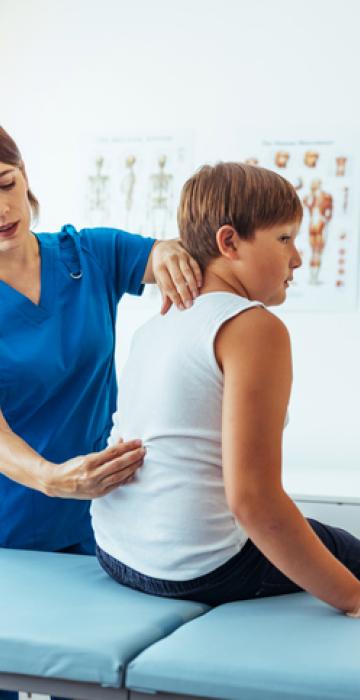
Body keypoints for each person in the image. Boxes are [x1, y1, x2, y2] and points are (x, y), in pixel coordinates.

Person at [92, 162, 360, 626]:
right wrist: (357, 597)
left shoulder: (155, 325)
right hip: (195, 568)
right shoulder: (252, 327)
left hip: (117, 552)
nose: (298, 258)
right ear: (229, 242)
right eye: (285, 239)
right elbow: (252, 500)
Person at [0, 125, 205, 697]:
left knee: (93, 679)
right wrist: (50, 477)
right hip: (8, 523)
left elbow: (166, 257)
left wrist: (169, 251)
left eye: (4, 184)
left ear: (24, 175)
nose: (0, 209)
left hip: (104, 517)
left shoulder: (87, 254)